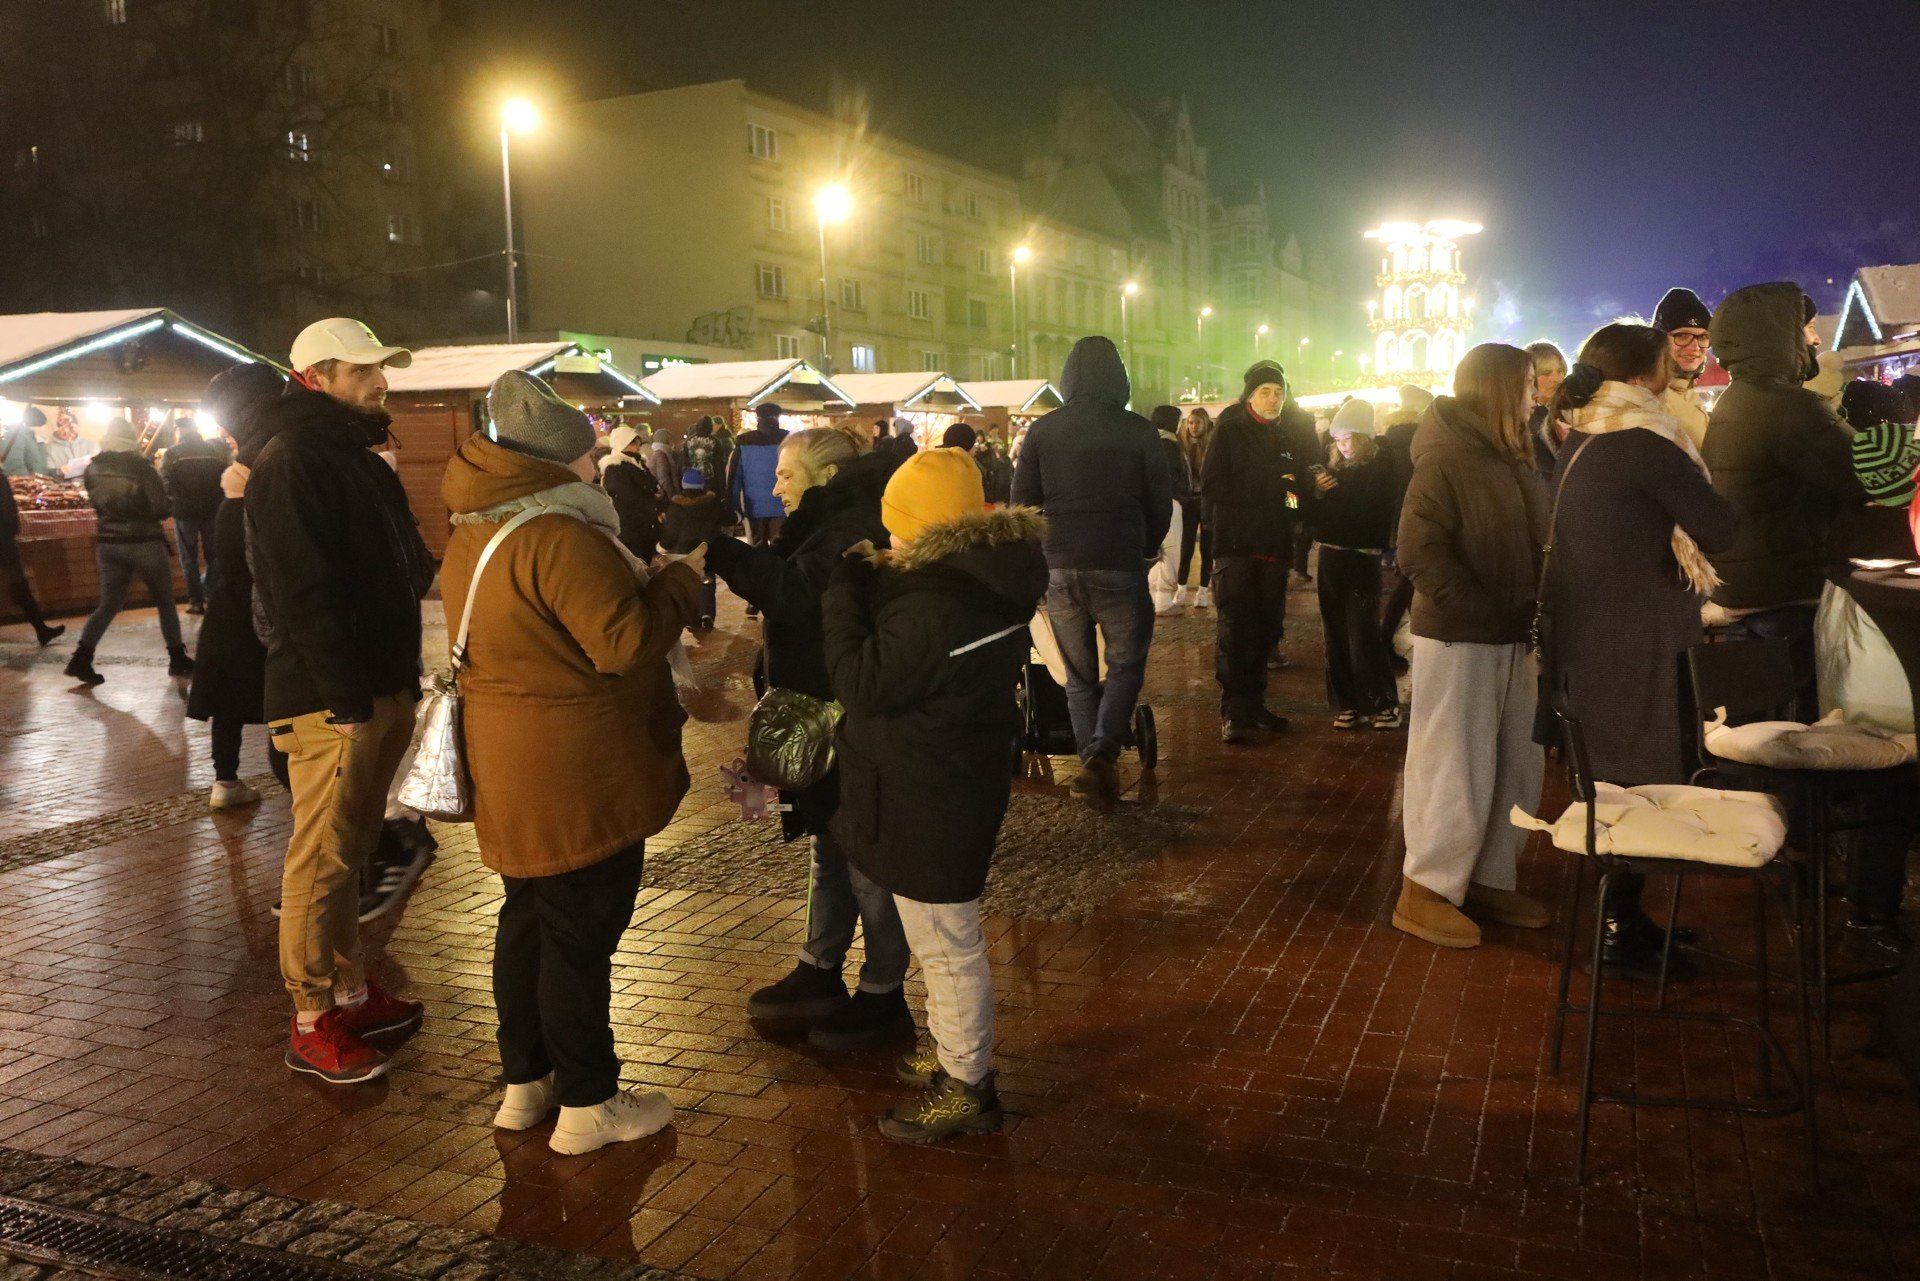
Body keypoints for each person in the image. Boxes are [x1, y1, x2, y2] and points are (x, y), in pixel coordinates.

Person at [440, 371, 701, 1154]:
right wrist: (680, 579)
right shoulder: (558, 535)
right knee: (579, 934)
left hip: (511, 760)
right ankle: (589, 1100)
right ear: (555, 463)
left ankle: (527, 1082)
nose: (598, 467)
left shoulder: (476, 527)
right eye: (586, 457)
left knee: (528, 920)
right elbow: (622, 642)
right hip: (576, 770)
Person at [821, 448, 1047, 1143]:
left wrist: (842, 595)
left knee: (947, 943)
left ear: (927, 528)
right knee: (939, 938)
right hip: (943, 776)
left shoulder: (941, 603)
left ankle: (967, 1084)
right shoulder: (975, 578)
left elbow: (861, 681)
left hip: (932, 789)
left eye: (898, 525)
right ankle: (955, 1051)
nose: (887, 539)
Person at [249, 317, 435, 1085]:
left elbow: (410, 565)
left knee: (351, 854)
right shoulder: (292, 460)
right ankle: (310, 1016)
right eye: (362, 371)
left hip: (377, 684)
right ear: (316, 376)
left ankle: (350, 992)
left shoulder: (356, 457)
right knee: (322, 859)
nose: (380, 381)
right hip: (331, 698)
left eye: (380, 368)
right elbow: (302, 592)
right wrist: (346, 697)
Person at [1541, 325, 1740, 977]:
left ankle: (1625, 917)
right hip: (1635, 642)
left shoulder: (1586, 434)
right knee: (1637, 781)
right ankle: (1617, 930)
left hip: (1595, 638)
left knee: (1615, 779)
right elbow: (1720, 527)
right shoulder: (1644, 441)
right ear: (1645, 375)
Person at [708, 429, 913, 1046]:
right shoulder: (827, 521)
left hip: (846, 716)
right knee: (829, 845)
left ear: (825, 476)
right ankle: (820, 967)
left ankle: (882, 990)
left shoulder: (849, 525)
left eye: (786, 474)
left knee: (864, 858)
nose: (774, 487)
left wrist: (723, 552)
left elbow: (796, 595)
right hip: (821, 711)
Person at [1391, 344, 1548, 950]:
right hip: (1461, 637)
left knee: (1514, 762)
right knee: (1453, 763)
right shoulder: (1446, 457)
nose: (1536, 395)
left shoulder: (1512, 456)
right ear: (1499, 389)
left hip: (1512, 633)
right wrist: (1479, 607)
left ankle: (1487, 875)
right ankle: (1426, 887)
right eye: (1528, 383)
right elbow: (1418, 551)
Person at [1010, 336, 1172, 810]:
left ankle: (1093, 768)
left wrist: (1040, 556)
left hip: (1059, 565)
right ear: (1119, 378)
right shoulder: (1139, 430)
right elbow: (1159, 502)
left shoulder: (1043, 431)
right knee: (1124, 665)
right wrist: (1146, 547)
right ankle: (1101, 755)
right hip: (1119, 561)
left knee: (1078, 677)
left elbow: (1022, 504)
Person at [1701, 282, 1863, 718]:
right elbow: (1868, 474)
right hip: (1787, 598)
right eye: (1805, 328)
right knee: (1801, 731)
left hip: (1751, 594)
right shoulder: (1788, 406)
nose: (1816, 339)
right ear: (1776, 336)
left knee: (1758, 724)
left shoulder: (1738, 400)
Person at [188, 363, 293, 810]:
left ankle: (225, 781)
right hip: (260, 615)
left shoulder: (228, 502)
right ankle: (288, 778)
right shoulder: (265, 495)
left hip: (227, 614)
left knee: (229, 703)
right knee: (278, 701)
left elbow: (221, 563)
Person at [1203, 360, 1312, 743]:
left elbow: (1292, 486)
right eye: (1265, 391)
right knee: (1236, 629)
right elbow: (1212, 484)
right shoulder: (1230, 430)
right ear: (1250, 395)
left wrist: (1294, 508)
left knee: (1267, 627)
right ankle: (1234, 711)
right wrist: (1267, 492)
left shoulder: (1285, 436)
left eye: (1279, 392)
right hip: (1237, 545)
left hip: (1274, 546)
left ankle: (1255, 704)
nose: (1273, 399)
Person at [64, 418, 191, 685]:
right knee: (165, 601)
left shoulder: (93, 467)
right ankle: (177, 657)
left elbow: (96, 503)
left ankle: (81, 657)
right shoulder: (141, 467)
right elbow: (159, 508)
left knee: (109, 603)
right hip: (144, 542)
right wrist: (171, 502)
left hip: (109, 543)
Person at [1308, 399, 1402, 730]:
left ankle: (1383, 702)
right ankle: (1346, 702)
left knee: (1363, 633)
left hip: (1362, 556)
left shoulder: (1381, 467)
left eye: (1348, 438)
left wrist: (1330, 500)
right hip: (1332, 555)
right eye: (1337, 439)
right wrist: (1317, 494)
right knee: (1334, 633)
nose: (1342, 446)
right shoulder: (1331, 470)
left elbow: (1364, 511)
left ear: (1363, 436)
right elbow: (1308, 514)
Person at [162, 419, 232, 616]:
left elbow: (163, 481)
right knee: (214, 556)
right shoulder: (214, 452)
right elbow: (226, 475)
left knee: (188, 558)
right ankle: (212, 595)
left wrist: (173, 501)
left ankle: (196, 601)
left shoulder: (173, 453)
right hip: (212, 510)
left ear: (181, 430)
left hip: (185, 512)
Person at [0, 449, 62, 647]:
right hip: (3, 540)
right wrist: (12, 530)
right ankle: (41, 629)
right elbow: (6, 507)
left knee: (19, 585)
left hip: (4, 538)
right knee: (18, 583)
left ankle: (41, 629)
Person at [662, 467, 727, 628]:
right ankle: (706, 614)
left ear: (683, 484)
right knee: (707, 581)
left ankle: (691, 617)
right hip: (707, 548)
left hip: (684, 550)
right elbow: (727, 517)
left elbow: (671, 530)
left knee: (687, 582)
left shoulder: (676, 505)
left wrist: (664, 545)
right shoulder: (711, 502)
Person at [1651, 287, 1714, 451]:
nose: (1695, 347)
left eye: (1703, 337)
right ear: (1659, 339)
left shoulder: (1687, 392)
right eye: (1682, 336)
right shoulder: (1649, 397)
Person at [1145, 405, 1191, 616]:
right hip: (1170, 502)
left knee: (1156, 549)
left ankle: (1154, 598)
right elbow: (1170, 477)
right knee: (1170, 550)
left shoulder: (1151, 442)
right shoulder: (1169, 444)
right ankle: (1163, 601)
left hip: (1153, 503)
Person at [599, 425, 663, 560]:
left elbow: (652, 484)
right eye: (634, 442)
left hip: (645, 526)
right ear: (624, 444)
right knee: (638, 562)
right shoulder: (615, 467)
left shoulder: (637, 462)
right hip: (631, 528)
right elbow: (630, 496)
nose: (639, 446)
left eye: (638, 442)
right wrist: (654, 502)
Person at [1175, 406, 1214, 608]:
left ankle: (1202, 592)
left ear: (1205, 424)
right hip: (1189, 502)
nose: (1193, 426)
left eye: (1198, 422)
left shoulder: (1212, 445)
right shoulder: (1181, 446)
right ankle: (1181, 589)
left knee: (1207, 549)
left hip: (1207, 502)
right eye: (1190, 422)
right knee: (1186, 548)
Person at [1524, 341, 1569, 470]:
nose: (1556, 379)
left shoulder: (1573, 409)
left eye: (1560, 371)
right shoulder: (1523, 420)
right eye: (1546, 373)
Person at [1, 408, 53, 478]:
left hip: (36, 481)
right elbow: (14, 464)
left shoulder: (32, 438)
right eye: (42, 425)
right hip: (21, 482)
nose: (43, 429)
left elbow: (39, 465)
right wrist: (30, 482)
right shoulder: (15, 435)